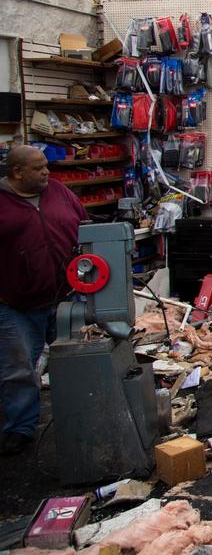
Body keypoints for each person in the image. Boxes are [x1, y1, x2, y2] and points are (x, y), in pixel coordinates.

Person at [0, 145, 87, 455]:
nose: (46, 172)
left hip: (65, 296)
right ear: (17, 172)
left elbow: (86, 229)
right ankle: (20, 428)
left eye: (46, 166)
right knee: (19, 368)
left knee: (77, 358)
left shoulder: (59, 193)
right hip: (15, 303)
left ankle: (83, 417)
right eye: (38, 168)